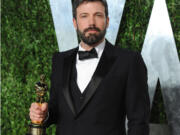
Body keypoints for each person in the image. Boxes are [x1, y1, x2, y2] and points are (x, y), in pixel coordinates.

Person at [29, 0, 150, 135]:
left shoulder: (129, 61)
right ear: (75, 22)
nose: (91, 22)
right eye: (84, 16)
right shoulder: (60, 60)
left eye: (98, 15)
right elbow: (56, 109)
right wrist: (43, 114)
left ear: (107, 21)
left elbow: (139, 121)